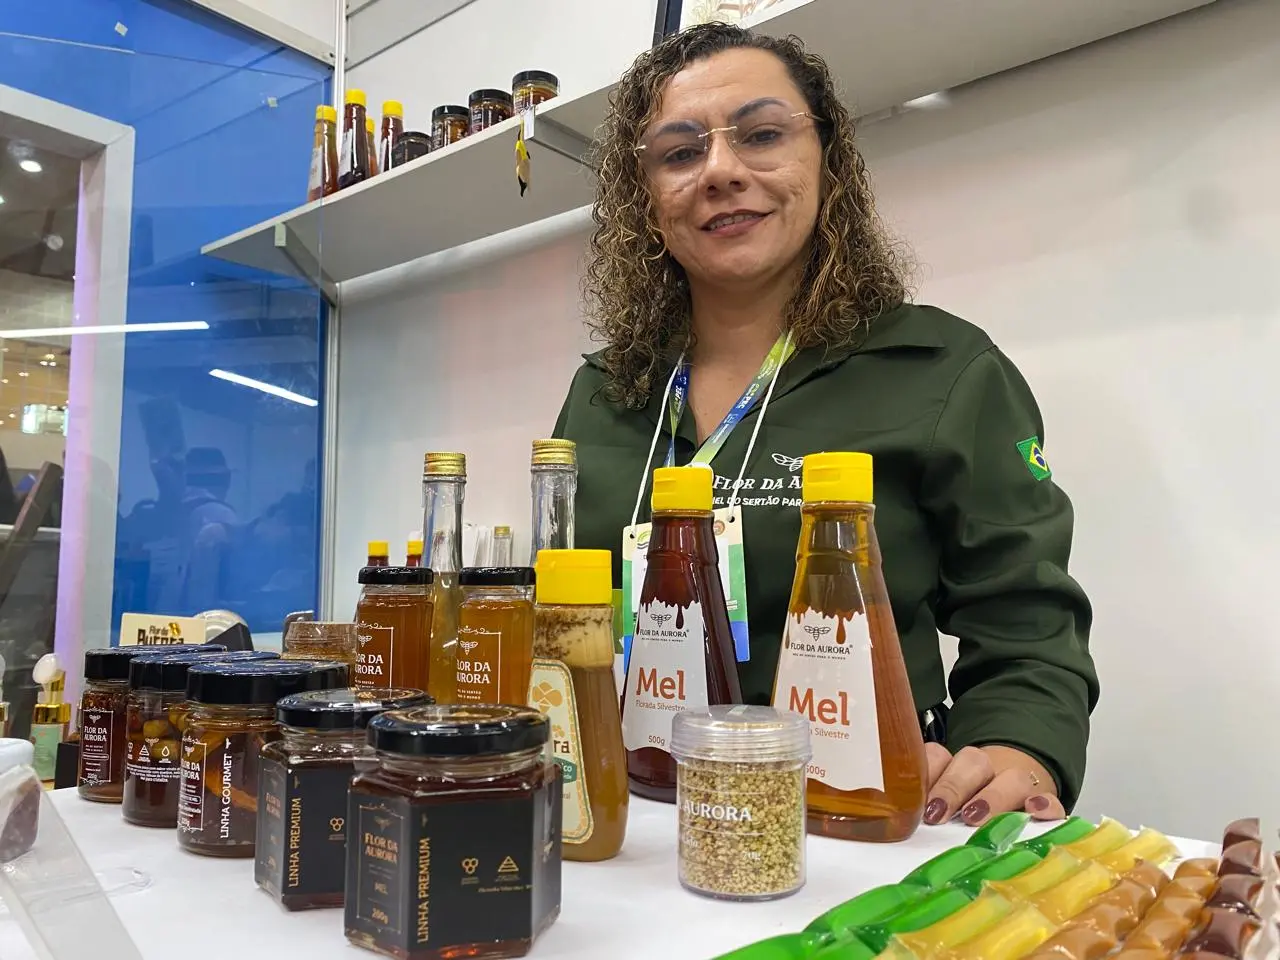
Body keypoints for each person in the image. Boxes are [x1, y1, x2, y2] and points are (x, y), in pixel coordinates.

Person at [553, 23, 1098, 826]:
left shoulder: (942, 370)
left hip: (845, 819)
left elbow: (1026, 630)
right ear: (645, 201)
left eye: (763, 135)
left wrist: (1016, 749)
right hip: (626, 822)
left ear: (829, 161)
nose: (721, 172)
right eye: (678, 153)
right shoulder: (601, 392)